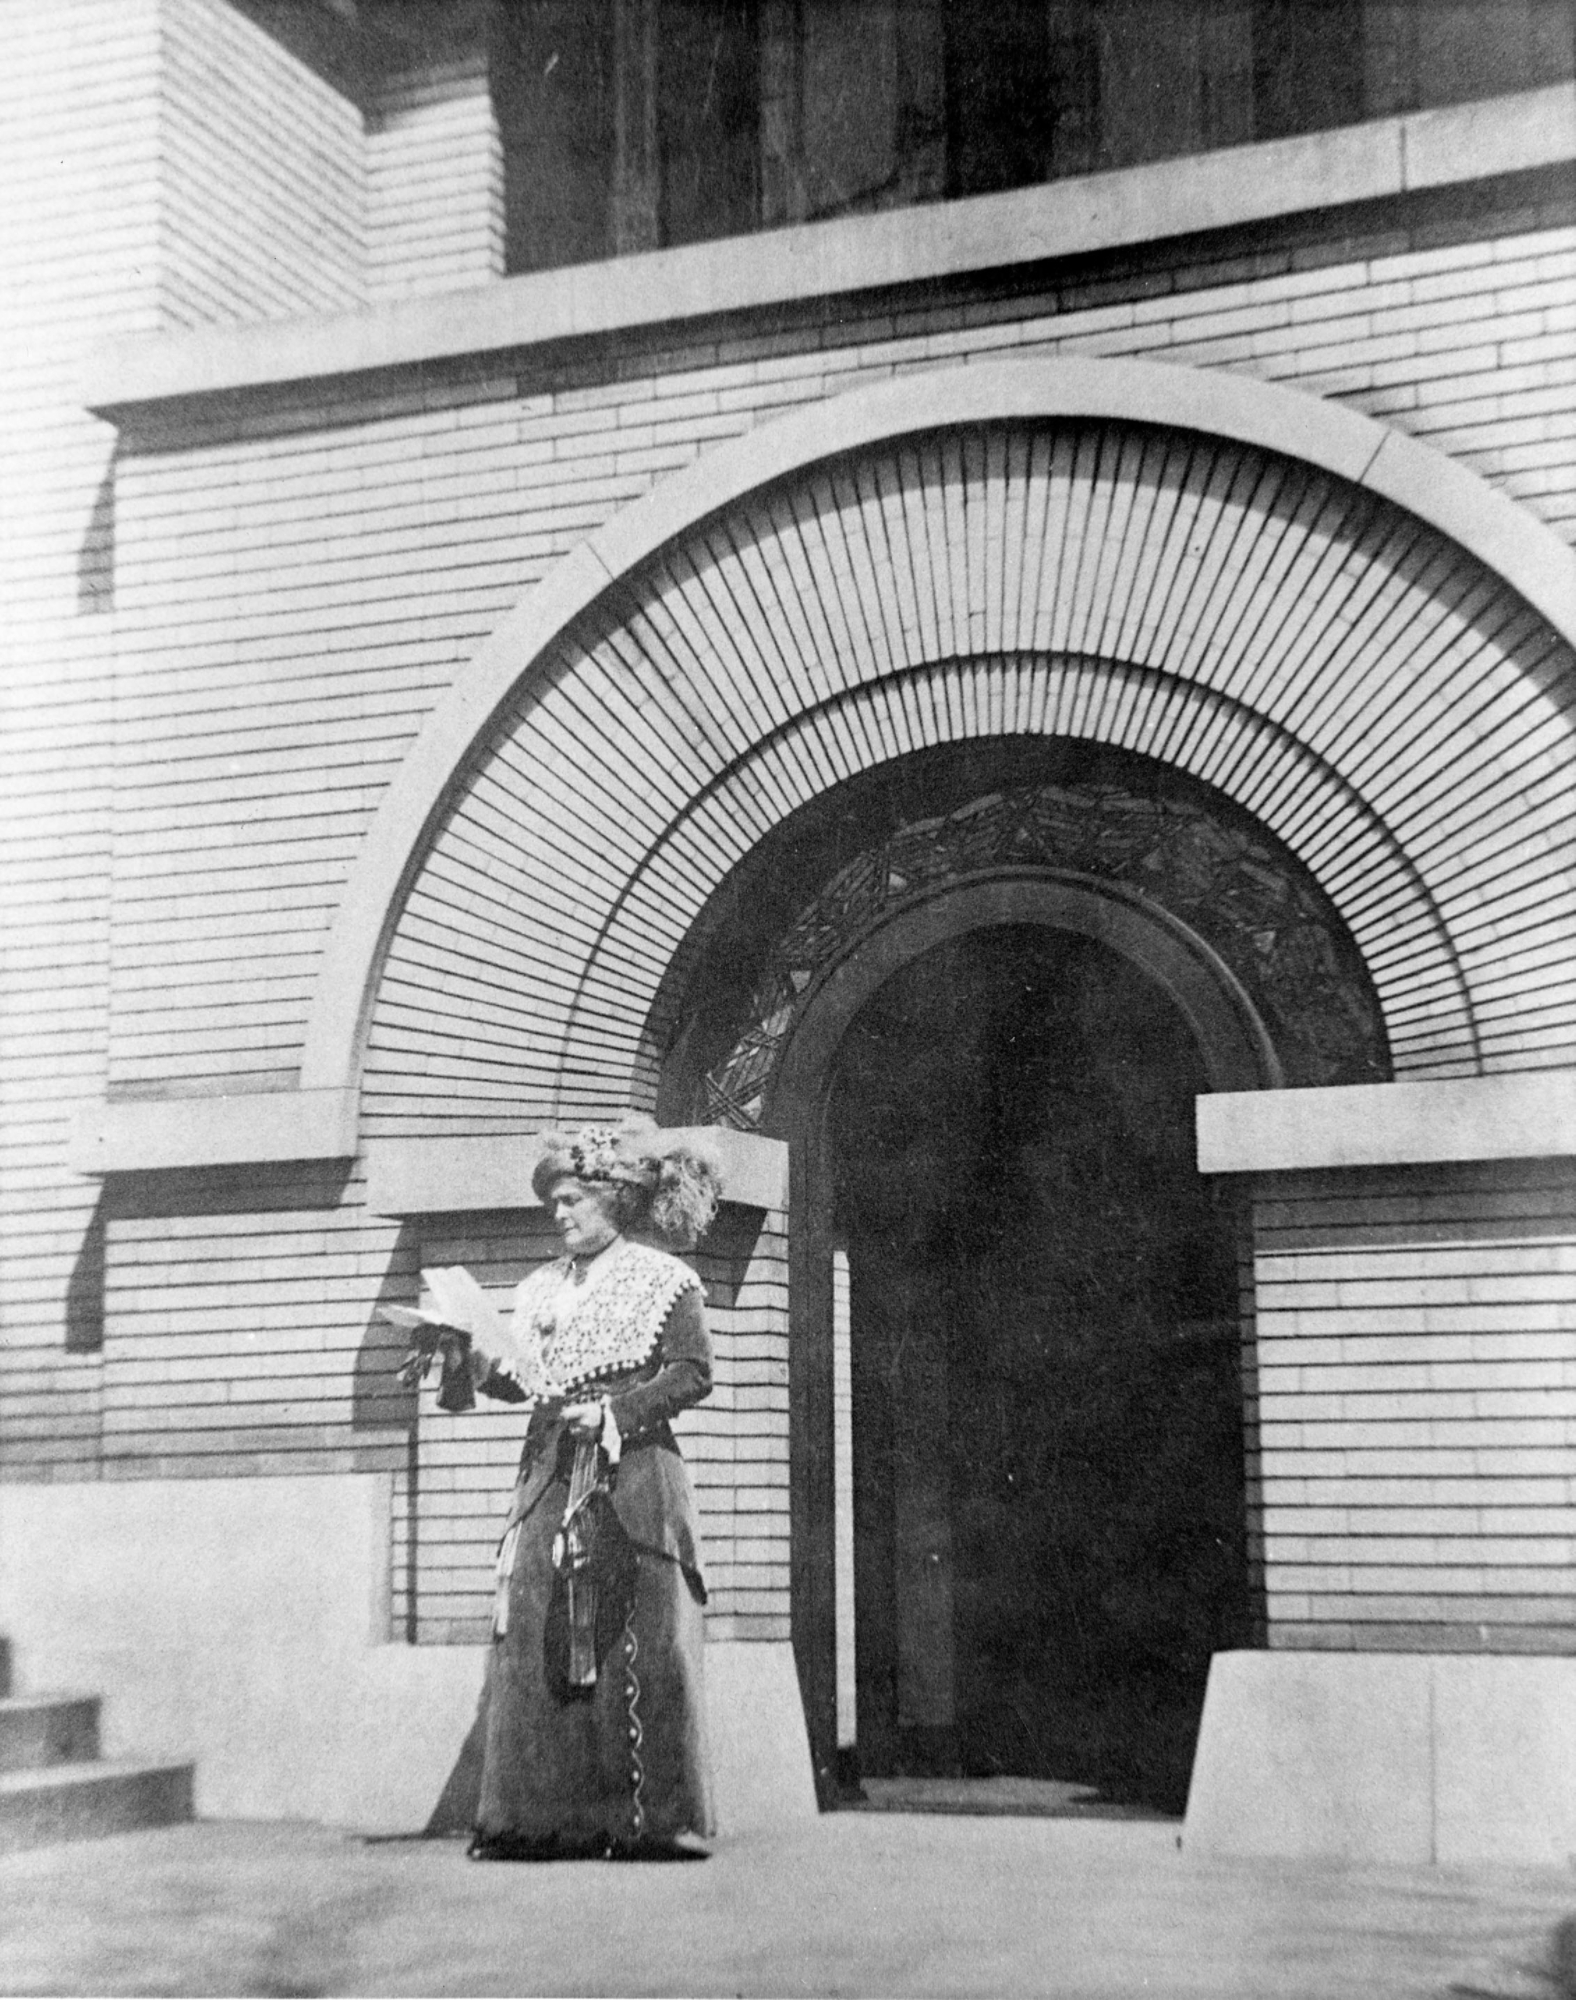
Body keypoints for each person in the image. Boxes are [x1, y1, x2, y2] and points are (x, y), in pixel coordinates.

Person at [405, 1115, 721, 1859]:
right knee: (539, 1628)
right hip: (549, 1476)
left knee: (635, 1634)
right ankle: (540, 1822)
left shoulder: (664, 1280)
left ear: (613, 1200)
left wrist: (616, 1410)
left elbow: (693, 1371)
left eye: (573, 1199)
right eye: (556, 1201)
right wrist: (469, 1355)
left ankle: (648, 1825)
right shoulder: (543, 1286)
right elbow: (528, 1382)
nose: (560, 1212)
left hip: (634, 1475)